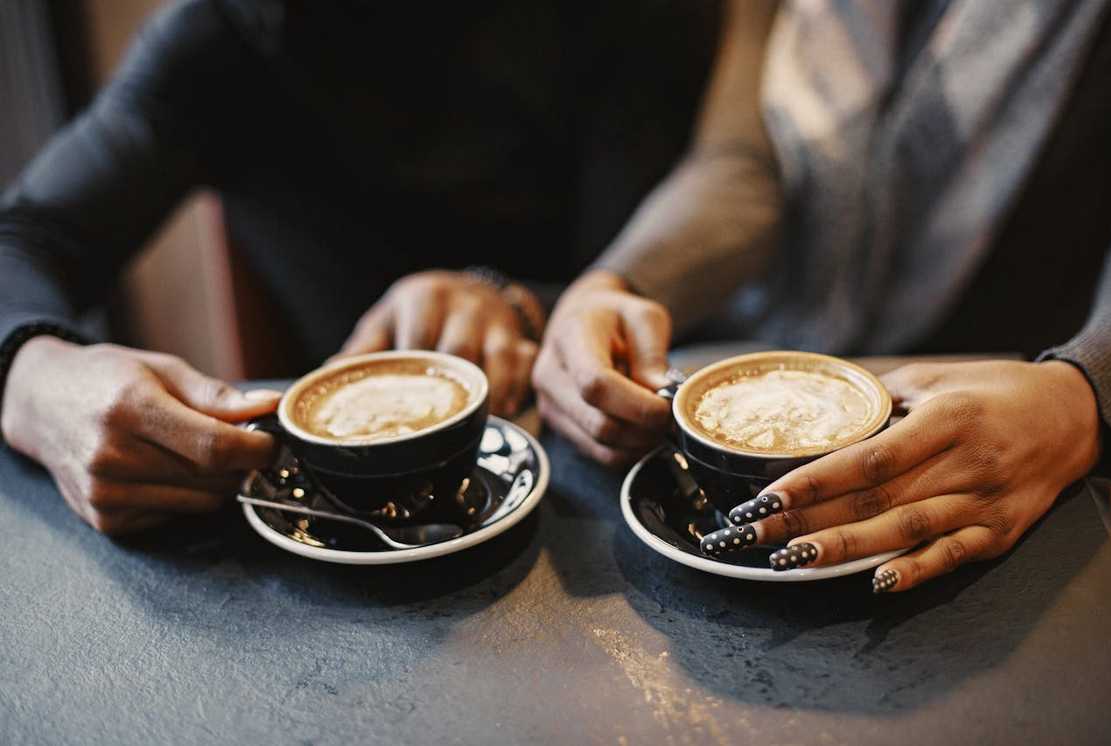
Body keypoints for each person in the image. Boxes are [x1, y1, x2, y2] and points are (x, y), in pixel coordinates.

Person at [0, 0, 719, 535]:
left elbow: (663, 273)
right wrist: (34, 377)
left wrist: (518, 306)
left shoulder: (625, 18)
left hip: (596, 495)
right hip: (345, 514)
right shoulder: (223, 35)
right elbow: (26, 236)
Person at [534, 0, 1111, 591]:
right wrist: (613, 282)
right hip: (768, 355)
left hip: (1001, 431)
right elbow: (747, 160)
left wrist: (1086, 393)